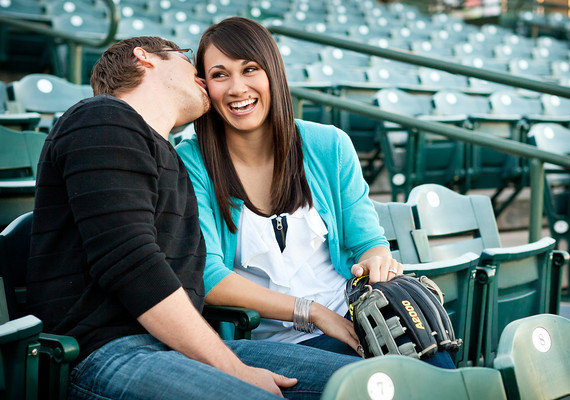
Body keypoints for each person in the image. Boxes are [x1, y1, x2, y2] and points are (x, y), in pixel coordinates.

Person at [26, 36, 361, 400]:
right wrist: (233, 370)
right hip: (107, 354)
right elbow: (133, 266)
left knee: (371, 382)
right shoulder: (101, 117)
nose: (201, 76)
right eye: (189, 61)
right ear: (146, 58)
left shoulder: (171, 161)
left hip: (182, 348)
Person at [177, 17, 453, 369]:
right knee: (375, 385)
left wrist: (377, 259)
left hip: (354, 320)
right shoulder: (190, 161)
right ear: (205, 86)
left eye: (250, 69)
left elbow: (367, 240)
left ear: (273, 74)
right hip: (273, 341)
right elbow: (209, 276)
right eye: (220, 75)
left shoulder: (329, 145)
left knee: (437, 365)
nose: (237, 88)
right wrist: (313, 313)